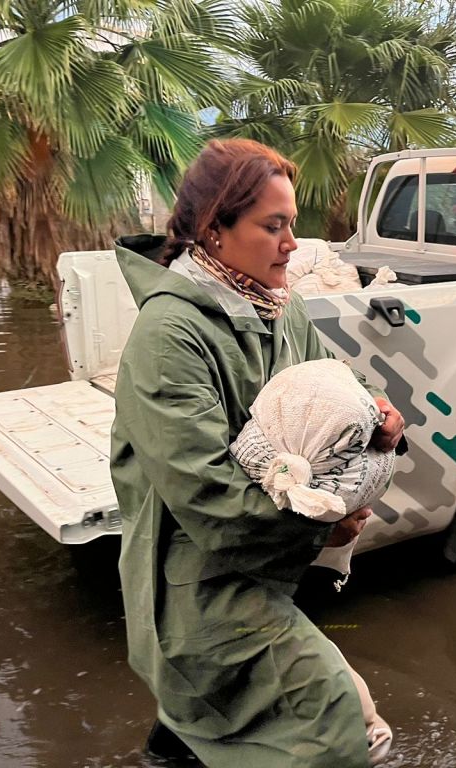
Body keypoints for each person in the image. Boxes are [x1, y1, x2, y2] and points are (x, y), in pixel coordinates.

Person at [109, 138, 405, 767]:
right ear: (215, 230)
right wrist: (323, 533)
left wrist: (377, 413)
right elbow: (209, 496)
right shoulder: (169, 334)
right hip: (193, 586)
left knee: (205, 734)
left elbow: (333, 383)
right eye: (274, 226)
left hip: (256, 570)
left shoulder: (279, 309)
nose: (292, 244)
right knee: (336, 724)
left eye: (291, 225)